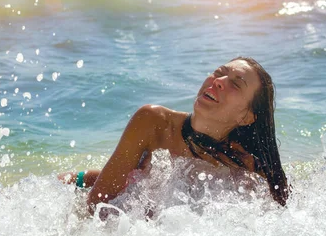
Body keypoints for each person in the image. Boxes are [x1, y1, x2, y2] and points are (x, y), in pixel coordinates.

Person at [59, 56, 289, 213]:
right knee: (63, 181)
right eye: (219, 73)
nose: (218, 81)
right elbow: (98, 203)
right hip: (108, 184)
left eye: (236, 84)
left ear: (247, 116)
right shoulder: (154, 122)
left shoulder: (247, 171)